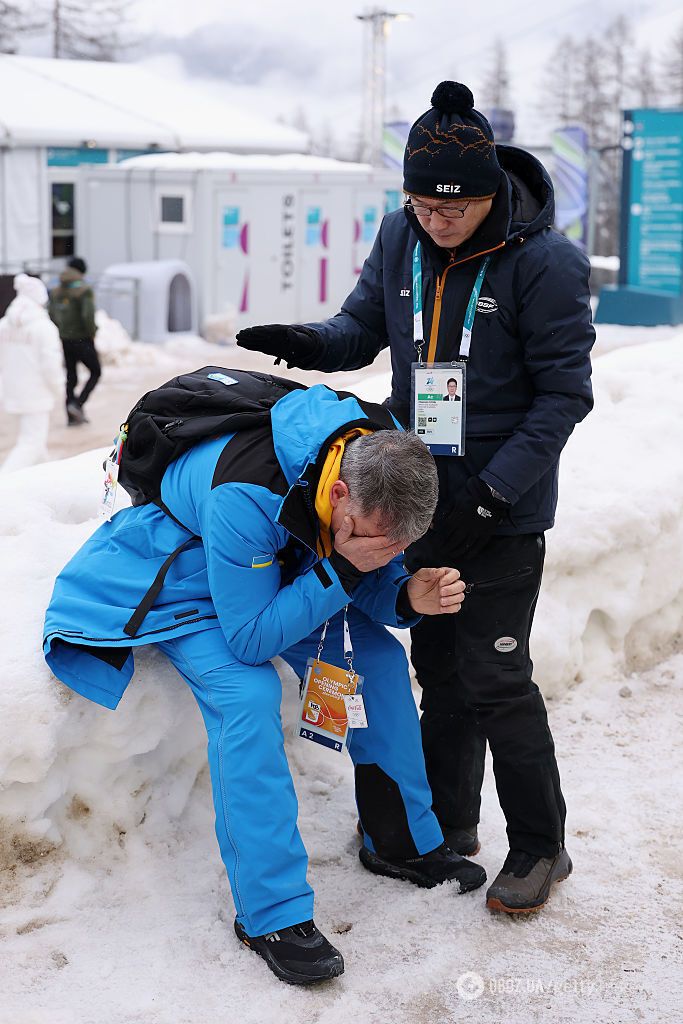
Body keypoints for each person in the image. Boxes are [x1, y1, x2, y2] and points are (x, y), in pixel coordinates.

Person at [236, 81, 596, 914]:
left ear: (490, 194)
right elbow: (360, 329)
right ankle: (451, 821)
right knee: (435, 666)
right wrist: (306, 342)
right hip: (416, 497)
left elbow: (562, 399)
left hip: (503, 508)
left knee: (495, 677)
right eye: (422, 207)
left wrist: (492, 496)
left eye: (456, 209)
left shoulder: (544, 263)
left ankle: (542, 847)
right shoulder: (402, 234)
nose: (437, 222)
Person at [43, 375, 487, 986]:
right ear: (337, 490)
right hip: (195, 571)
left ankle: (399, 839)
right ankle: (270, 913)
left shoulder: (380, 463)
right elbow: (251, 636)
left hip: (289, 564)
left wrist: (406, 592)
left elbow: (367, 571)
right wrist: (343, 568)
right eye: (369, 537)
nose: (379, 548)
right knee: (246, 696)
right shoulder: (243, 493)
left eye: (394, 545)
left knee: (377, 661)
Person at [0, 274, 65, 474]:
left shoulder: (4, 324)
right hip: (36, 393)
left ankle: (44, 475)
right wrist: (59, 390)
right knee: (31, 443)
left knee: (34, 440)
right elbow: (51, 366)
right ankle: (5, 481)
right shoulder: (44, 328)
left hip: (11, 390)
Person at [48, 256, 101, 425]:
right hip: (82, 338)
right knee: (95, 371)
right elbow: (88, 314)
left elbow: (52, 314)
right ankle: (77, 404)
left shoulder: (56, 290)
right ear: (82, 271)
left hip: (66, 338)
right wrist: (91, 332)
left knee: (71, 376)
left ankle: (71, 417)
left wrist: (63, 329)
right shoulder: (84, 290)